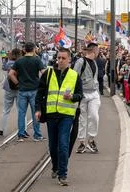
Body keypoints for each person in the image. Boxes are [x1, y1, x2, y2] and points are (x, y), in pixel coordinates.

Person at [34, 47, 83, 186]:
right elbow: (39, 93)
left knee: (63, 144)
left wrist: (72, 97)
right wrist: (38, 109)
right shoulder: (48, 73)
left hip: (66, 115)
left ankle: (63, 174)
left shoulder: (74, 75)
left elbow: (80, 95)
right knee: (53, 145)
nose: (60, 60)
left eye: (63, 58)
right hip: (51, 115)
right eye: (58, 58)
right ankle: (55, 166)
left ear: (69, 60)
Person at [9, 42, 45, 141]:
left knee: (21, 113)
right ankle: (37, 135)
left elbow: (11, 74)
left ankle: (21, 135)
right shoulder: (37, 60)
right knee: (36, 112)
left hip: (22, 90)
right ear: (33, 49)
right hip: (34, 90)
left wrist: (17, 83)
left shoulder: (19, 61)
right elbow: (44, 73)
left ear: (24, 50)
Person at [74, 42, 101, 154]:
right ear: (94, 51)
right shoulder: (80, 62)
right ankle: (81, 142)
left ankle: (91, 139)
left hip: (94, 93)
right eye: (98, 50)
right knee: (82, 118)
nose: (99, 52)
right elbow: (74, 76)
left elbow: (95, 79)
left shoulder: (94, 62)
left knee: (94, 116)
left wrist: (98, 93)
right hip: (83, 93)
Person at [0, 48, 22, 137]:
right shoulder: (20, 63)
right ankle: (22, 129)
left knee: (6, 110)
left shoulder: (8, 63)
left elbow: (3, 67)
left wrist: (6, 59)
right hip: (19, 88)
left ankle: (1, 129)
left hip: (8, 88)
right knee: (21, 110)